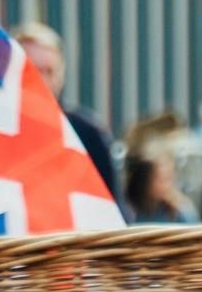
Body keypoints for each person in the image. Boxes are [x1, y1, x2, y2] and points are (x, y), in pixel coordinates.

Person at [14, 24, 122, 206]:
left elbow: (112, 208)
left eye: (49, 71)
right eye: (32, 70)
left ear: (61, 75)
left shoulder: (87, 134)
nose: (41, 80)